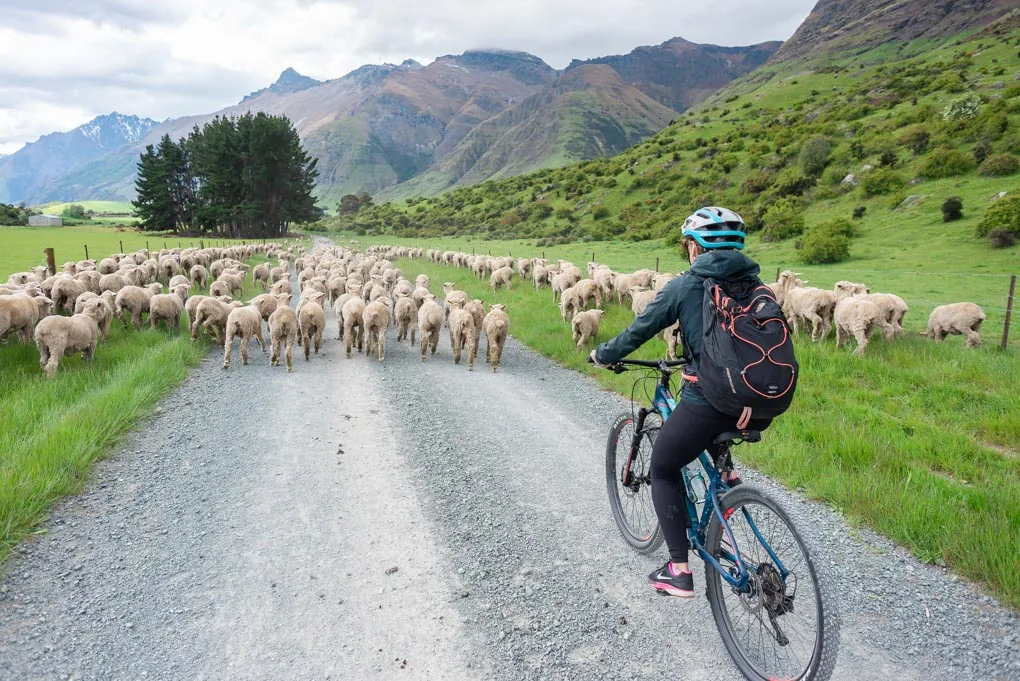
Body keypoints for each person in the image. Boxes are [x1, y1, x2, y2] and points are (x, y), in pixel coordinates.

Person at [589, 206, 773, 599]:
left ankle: (678, 570)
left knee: (663, 467)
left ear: (694, 247)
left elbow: (639, 329)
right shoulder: (760, 288)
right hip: (761, 402)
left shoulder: (686, 286)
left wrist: (603, 354)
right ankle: (727, 478)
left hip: (711, 400)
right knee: (703, 430)